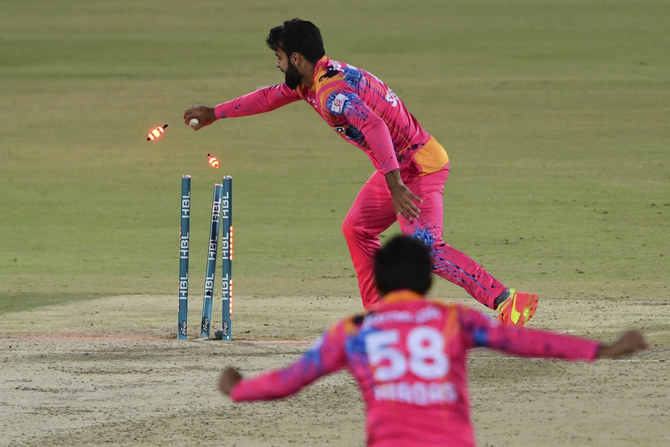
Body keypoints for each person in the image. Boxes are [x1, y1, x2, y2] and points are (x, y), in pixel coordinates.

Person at [183, 18, 537, 325]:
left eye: (279, 57)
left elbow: (374, 126)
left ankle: (508, 301)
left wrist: (395, 184)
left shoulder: (332, 91)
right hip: (396, 166)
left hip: (419, 167)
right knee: (357, 228)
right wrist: (216, 112)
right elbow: (269, 97)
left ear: (296, 58)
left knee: (425, 247)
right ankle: (381, 316)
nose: (277, 64)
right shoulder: (312, 81)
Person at [217, 235, 648, 447]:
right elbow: (525, 341)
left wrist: (239, 389)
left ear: (378, 282)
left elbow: (293, 378)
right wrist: (600, 349)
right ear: (427, 281)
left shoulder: (354, 332)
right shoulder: (454, 321)